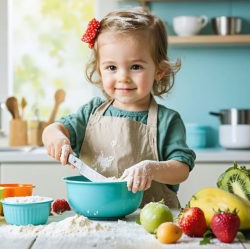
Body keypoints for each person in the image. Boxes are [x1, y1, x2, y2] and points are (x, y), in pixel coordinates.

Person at [42, 8, 196, 208]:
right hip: (97, 218)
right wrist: (58, 138)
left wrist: (152, 168)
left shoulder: (167, 121)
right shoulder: (91, 113)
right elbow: (53, 130)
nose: (122, 77)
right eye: (112, 67)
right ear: (99, 70)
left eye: (135, 67)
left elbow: (181, 168)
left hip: (152, 225)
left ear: (159, 71)